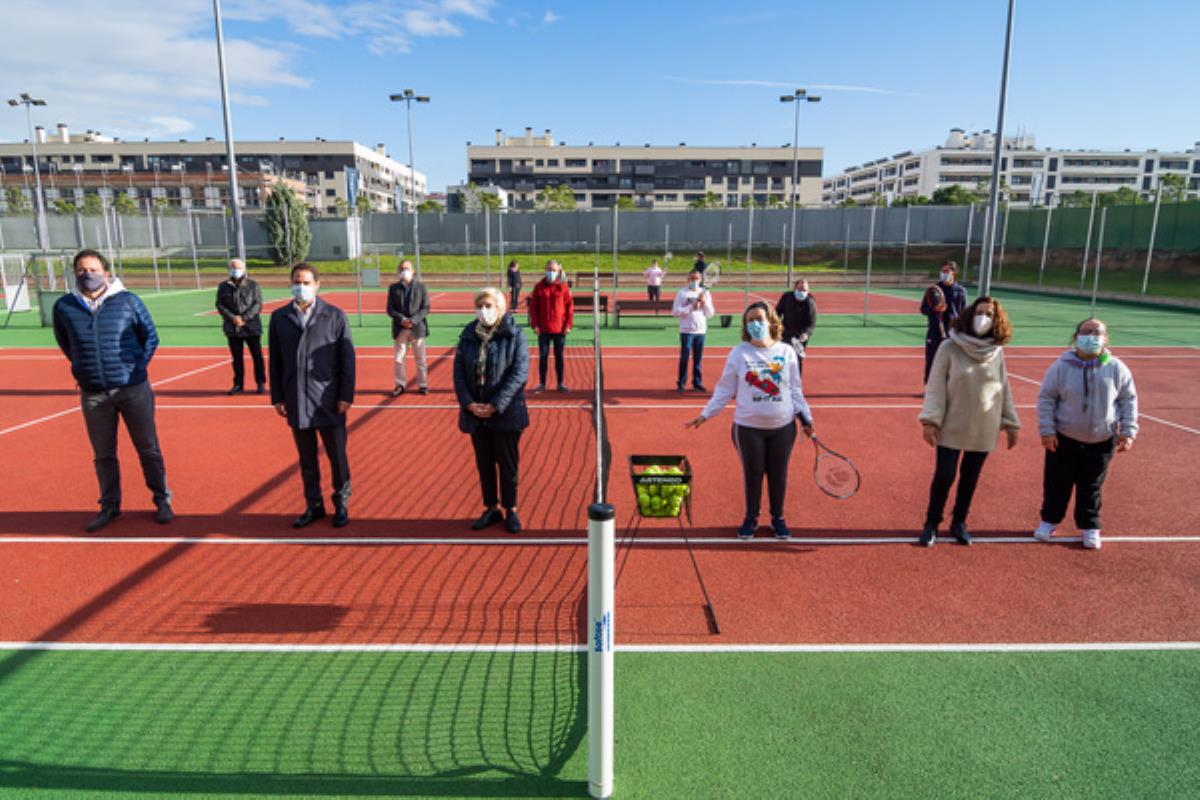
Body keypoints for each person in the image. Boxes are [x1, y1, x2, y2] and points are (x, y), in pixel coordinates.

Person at [52, 248, 172, 532]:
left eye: (93, 270)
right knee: (103, 454)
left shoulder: (128, 301)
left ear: (106, 273)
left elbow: (150, 337)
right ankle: (109, 506)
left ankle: (162, 500)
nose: (87, 274)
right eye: (82, 270)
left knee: (148, 448)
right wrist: (84, 368)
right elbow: (66, 342)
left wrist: (135, 368)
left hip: (133, 389)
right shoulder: (64, 306)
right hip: (93, 393)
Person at [687, 303, 813, 540]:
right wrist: (706, 414)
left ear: (771, 321)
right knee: (753, 474)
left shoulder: (787, 352)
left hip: (783, 428)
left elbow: (795, 390)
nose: (755, 324)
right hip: (748, 429)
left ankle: (778, 518)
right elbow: (725, 389)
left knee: (778, 475)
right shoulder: (739, 353)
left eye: (759, 319)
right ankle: (751, 518)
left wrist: (807, 418)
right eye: (750, 321)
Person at [918, 296, 1020, 547]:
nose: (984, 318)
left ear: (996, 320)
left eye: (990, 314)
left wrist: (1011, 422)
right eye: (980, 312)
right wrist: (930, 420)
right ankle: (932, 523)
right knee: (945, 475)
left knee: (970, 478)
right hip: (952, 423)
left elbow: (1003, 387)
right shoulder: (949, 347)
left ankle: (959, 522)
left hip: (984, 425)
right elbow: (936, 386)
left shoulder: (996, 352)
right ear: (970, 314)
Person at [1034, 319, 1138, 550]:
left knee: (1091, 486)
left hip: (1101, 439)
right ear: (1076, 336)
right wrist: (1047, 430)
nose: (1091, 336)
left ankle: (1090, 526)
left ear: (1105, 338)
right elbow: (1046, 398)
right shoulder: (1061, 366)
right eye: (1086, 331)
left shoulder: (1116, 368)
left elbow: (1128, 400)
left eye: (1097, 332)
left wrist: (1128, 431)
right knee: (1057, 483)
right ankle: (1049, 521)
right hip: (1064, 438)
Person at [269, 263, 356, 529]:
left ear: (317, 285)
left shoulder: (335, 316)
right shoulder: (279, 318)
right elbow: (276, 361)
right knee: (307, 460)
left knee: (337, 457)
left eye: (306, 282)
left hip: (329, 400)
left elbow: (347, 360)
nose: (301, 287)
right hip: (296, 399)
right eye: (297, 282)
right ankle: (314, 505)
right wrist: (277, 397)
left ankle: (341, 503)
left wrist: (345, 396)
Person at [454, 287, 530, 534]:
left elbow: (519, 373)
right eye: (479, 306)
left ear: (500, 308)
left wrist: (496, 405)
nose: (483, 311)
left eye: (488, 306)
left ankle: (511, 509)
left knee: (508, 465)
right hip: (476, 415)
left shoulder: (515, 335)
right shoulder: (468, 335)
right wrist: (469, 404)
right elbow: (458, 374)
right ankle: (491, 508)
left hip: (506, 413)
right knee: (484, 464)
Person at [215, 258, 265, 395]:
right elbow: (219, 305)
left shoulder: (253, 285)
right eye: (232, 267)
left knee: (257, 356)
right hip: (233, 329)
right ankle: (238, 385)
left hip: (252, 327)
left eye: (237, 268)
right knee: (236, 358)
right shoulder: (223, 286)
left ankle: (260, 382)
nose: (235, 270)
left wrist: (244, 318)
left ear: (244, 269)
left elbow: (257, 304)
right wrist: (233, 318)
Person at [527, 259, 574, 393]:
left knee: (559, 357)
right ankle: (542, 383)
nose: (551, 272)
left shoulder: (564, 287)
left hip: (560, 329)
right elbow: (533, 308)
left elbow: (569, 307)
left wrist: (568, 325)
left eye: (553, 270)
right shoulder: (538, 287)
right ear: (545, 270)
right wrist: (535, 325)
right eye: (549, 270)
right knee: (543, 357)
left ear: (558, 271)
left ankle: (560, 383)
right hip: (543, 329)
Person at [386, 259, 430, 397]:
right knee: (399, 359)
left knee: (420, 359)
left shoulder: (422, 287)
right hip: (400, 329)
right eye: (401, 269)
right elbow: (390, 309)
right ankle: (400, 385)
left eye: (407, 268)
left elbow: (425, 308)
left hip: (417, 328)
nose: (404, 271)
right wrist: (402, 319)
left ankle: (423, 385)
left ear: (413, 271)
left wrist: (413, 320)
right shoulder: (393, 288)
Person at [920, 260, 968, 383]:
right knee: (932, 360)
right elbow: (923, 309)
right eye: (942, 271)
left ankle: (950, 387)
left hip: (953, 333)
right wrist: (934, 309)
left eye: (947, 271)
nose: (944, 273)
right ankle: (930, 386)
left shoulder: (961, 291)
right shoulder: (933, 290)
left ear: (954, 273)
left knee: (953, 363)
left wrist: (962, 331)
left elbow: (962, 314)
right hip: (934, 332)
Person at [672, 268, 715, 392]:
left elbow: (710, 314)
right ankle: (681, 383)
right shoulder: (682, 293)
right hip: (686, 331)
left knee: (698, 359)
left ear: (700, 280)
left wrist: (705, 303)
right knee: (684, 358)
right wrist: (691, 307)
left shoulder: (705, 293)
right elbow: (675, 311)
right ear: (688, 279)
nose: (694, 281)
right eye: (692, 278)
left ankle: (697, 382)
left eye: (696, 278)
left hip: (700, 331)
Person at [775, 278, 817, 376]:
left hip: (800, 336)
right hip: (785, 332)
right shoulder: (786, 297)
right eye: (800, 289)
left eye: (804, 290)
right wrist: (777, 325)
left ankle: (796, 381)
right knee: (782, 356)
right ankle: (781, 379)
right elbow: (777, 312)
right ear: (794, 288)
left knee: (797, 359)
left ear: (808, 291)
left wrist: (806, 333)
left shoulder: (810, 303)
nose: (801, 292)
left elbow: (811, 323)